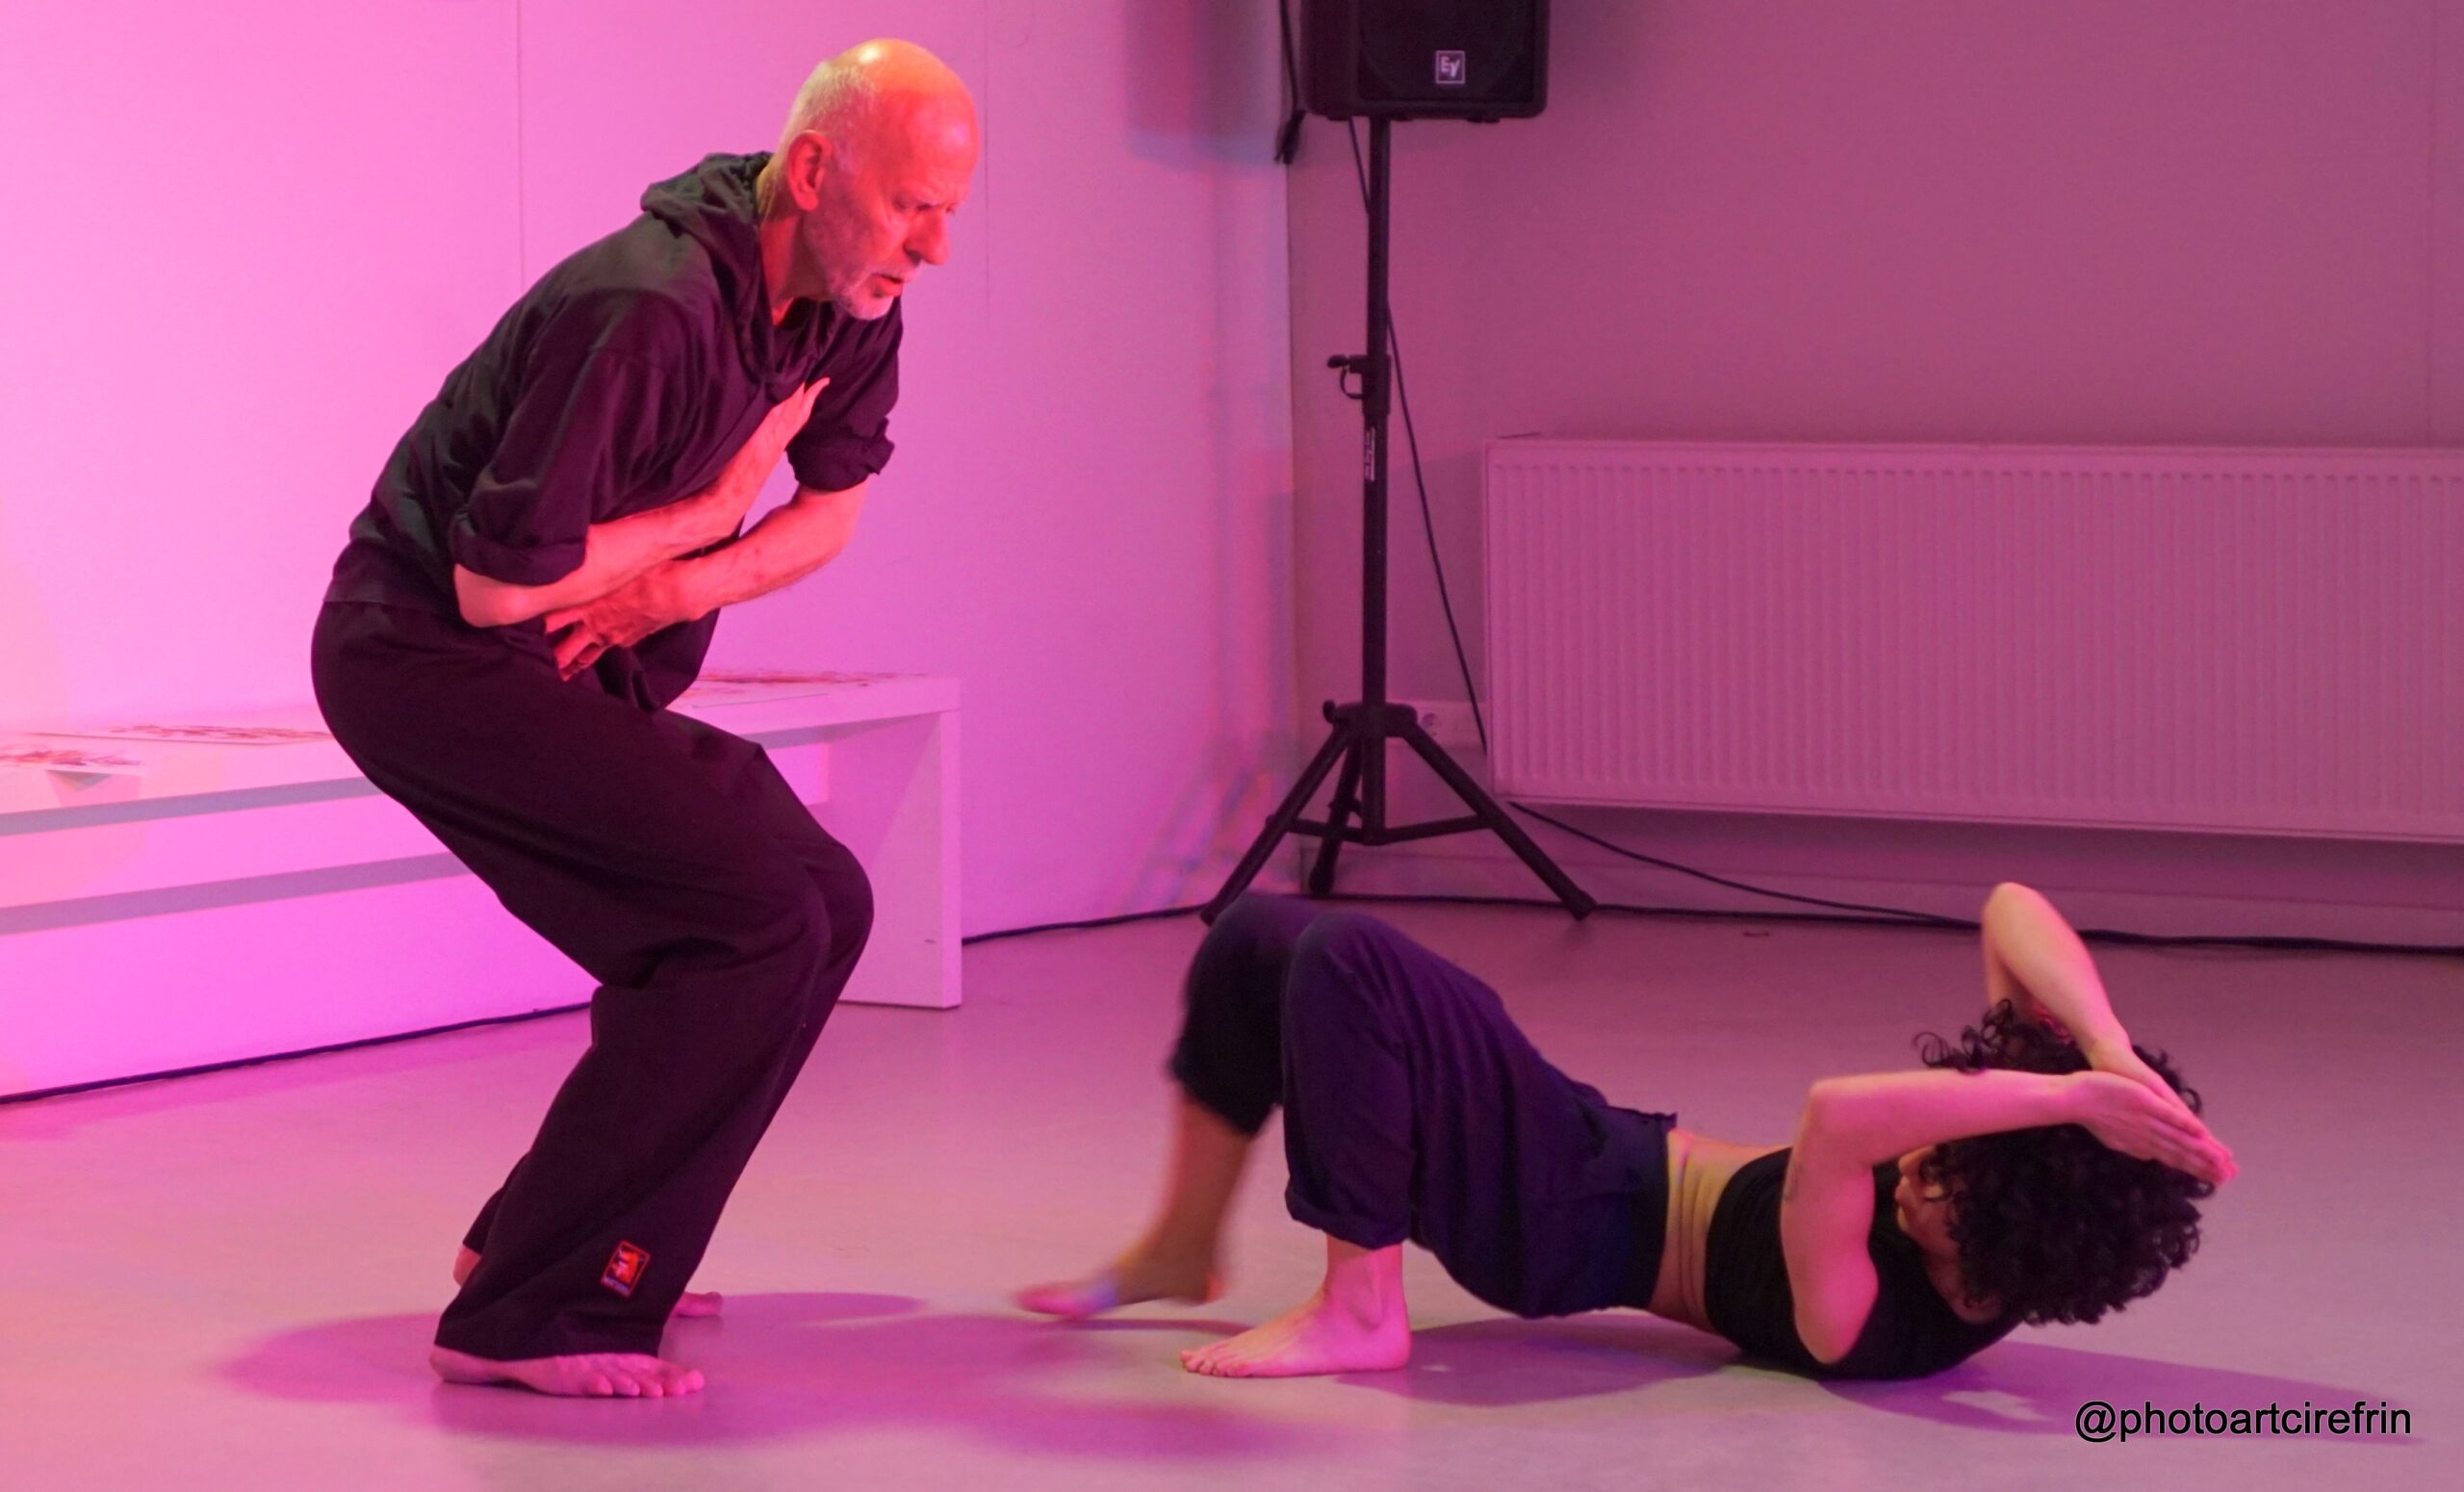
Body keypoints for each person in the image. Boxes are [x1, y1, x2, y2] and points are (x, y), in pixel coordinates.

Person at [310, 39, 980, 1398]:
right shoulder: (649, 306)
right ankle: (526, 1312)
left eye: (948, 212)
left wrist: (671, 586)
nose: (934, 248)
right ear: (814, 171)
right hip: (427, 654)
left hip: (559, 654)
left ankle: (546, 1237)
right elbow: (495, 588)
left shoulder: (850, 304)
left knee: (824, 897)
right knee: (749, 921)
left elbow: (830, 515)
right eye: (914, 205)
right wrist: (706, 511)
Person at [1019, 884, 2234, 1380]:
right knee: (1259, 937)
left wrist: (2061, 1098)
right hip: (1599, 1148)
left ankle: (1359, 1306)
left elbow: (1836, 1116)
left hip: (1561, 1221)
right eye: (1947, 1146)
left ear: (2011, 1242)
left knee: (1352, 961)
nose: (1919, 1161)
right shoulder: (1980, 1217)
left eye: (1947, 1180)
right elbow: (2013, 906)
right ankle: (1182, 1241)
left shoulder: (1879, 1325)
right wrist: (2100, 1050)